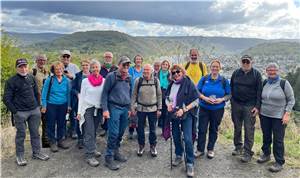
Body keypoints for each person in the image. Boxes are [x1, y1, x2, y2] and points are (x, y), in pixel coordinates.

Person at [3, 58, 49, 166]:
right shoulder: (11, 81)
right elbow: (6, 99)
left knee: (35, 133)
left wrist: (38, 106)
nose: (23, 69)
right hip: (20, 113)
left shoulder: (31, 78)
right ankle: (20, 156)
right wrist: (15, 112)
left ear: (28, 67)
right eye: (20, 67)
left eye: (25, 66)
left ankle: (37, 153)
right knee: (21, 135)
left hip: (34, 111)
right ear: (17, 68)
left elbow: (36, 93)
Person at [257, 63, 295, 172]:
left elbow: (291, 100)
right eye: (269, 70)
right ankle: (266, 154)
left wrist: (287, 113)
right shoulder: (265, 82)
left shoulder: (284, 83)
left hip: (279, 117)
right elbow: (260, 98)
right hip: (265, 115)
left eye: (274, 70)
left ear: (278, 71)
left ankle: (279, 162)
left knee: (278, 140)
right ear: (266, 71)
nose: (272, 72)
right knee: (266, 136)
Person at [165, 64, 199, 177]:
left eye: (178, 71)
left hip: (187, 115)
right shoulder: (171, 85)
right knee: (175, 136)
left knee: (188, 139)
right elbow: (167, 98)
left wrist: (184, 109)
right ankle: (179, 155)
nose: (176, 74)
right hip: (174, 114)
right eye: (173, 72)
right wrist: (168, 104)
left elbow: (196, 100)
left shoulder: (189, 83)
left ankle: (190, 163)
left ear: (182, 72)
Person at [101, 56, 132, 170]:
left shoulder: (129, 77)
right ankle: (108, 157)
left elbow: (130, 93)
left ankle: (116, 151)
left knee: (121, 132)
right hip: (114, 107)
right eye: (124, 64)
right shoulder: (111, 76)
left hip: (125, 108)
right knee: (113, 133)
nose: (126, 67)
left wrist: (129, 108)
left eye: (128, 65)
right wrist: (105, 109)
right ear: (119, 65)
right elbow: (104, 93)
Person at [195, 59, 231, 159]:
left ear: (220, 68)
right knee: (202, 129)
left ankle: (210, 149)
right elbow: (197, 91)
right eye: (213, 66)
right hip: (204, 108)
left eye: (217, 67)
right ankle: (200, 149)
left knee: (213, 129)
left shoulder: (224, 80)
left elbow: (229, 94)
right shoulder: (204, 78)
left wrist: (221, 99)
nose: (215, 68)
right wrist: (204, 98)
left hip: (218, 109)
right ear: (210, 68)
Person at [230, 55, 262, 162]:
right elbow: (231, 87)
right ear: (240, 62)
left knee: (249, 129)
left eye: (247, 62)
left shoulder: (256, 74)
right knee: (237, 127)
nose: (245, 64)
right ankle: (238, 146)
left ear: (251, 62)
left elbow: (259, 92)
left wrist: (257, 107)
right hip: (237, 104)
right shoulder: (235, 73)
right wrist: (232, 102)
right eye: (243, 61)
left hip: (250, 105)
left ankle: (247, 152)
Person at [77, 60, 105, 167]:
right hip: (88, 109)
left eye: (97, 67)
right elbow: (82, 97)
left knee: (94, 131)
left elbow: (105, 96)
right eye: (93, 67)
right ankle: (89, 155)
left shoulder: (104, 80)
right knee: (89, 131)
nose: (95, 69)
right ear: (90, 69)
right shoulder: (85, 81)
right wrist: (79, 112)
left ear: (100, 68)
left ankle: (92, 148)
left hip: (98, 109)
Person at [131, 64, 162, 157]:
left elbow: (159, 95)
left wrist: (159, 108)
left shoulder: (156, 81)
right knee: (140, 128)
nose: (145, 72)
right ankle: (141, 145)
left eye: (148, 70)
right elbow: (134, 95)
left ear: (152, 71)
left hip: (153, 108)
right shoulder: (138, 81)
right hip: (141, 108)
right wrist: (132, 107)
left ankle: (153, 146)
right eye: (144, 70)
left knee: (152, 129)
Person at [41, 61, 71, 152]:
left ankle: (60, 140)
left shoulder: (66, 80)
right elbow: (44, 93)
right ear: (53, 70)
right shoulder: (49, 80)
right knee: (51, 124)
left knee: (62, 123)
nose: (59, 71)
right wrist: (44, 105)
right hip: (51, 105)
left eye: (60, 69)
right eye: (57, 69)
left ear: (63, 70)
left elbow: (68, 94)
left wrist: (69, 105)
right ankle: (52, 142)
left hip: (63, 105)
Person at [31, 54, 50, 148]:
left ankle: (45, 142)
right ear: (36, 60)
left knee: (46, 121)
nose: (42, 61)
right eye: (40, 60)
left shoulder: (47, 71)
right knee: (35, 123)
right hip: (35, 101)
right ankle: (36, 144)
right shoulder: (32, 71)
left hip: (45, 100)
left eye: (43, 60)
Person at [71, 59, 91, 149]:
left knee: (89, 121)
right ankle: (80, 139)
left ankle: (88, 139)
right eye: (83, 65)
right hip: (79, 102)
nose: (85, 67)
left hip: (90, 102)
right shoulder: (78, 75)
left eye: (87, 65)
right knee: (79, 120)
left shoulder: (93, 75)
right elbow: (73, 88)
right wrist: (77, 94)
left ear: (89, 66)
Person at [60, 50, 80, 139]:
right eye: (64, 56)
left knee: (73, 113)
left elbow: (79, 78)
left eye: (67, 57)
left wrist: (71, 76)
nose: (65, 58)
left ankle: (73, 131)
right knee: (62, 113)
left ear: (70, 58)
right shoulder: (57, 66)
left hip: (72, 94)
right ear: (61, 57)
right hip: (62, 94)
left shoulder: (74, 67)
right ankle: (63, 132)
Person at [99, 51, 118, 137]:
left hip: (114, 93)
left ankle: (112, 129)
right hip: (103, 92)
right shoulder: (100, 68)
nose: (108, 58)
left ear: (112, 58)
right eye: (106, 57)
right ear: (104, 58)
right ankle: (104, 128)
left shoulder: (116, 68)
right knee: (104, 110)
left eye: (109, 57)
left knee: (113, 111)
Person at [128, 54, 144, 139]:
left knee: (140, 114)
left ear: (141, 61)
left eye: (139, 59)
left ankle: (139, 131)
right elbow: (129, 81)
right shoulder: (131, 70)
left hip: (142, 95)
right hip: (132, 94)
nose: (138, 60)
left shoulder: (144, 70)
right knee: (132, 112)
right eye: (137, 59)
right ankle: (131, 131)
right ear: (134, 61)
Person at [157, 59, 171, 132]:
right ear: (161, 65)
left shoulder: (170, 75)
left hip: (167, 95)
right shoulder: (157, 74)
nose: (165, 66)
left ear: (168, 66)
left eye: (166, 64)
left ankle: (164, 130)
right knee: (159, 113)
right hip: (158, 95)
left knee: (166, 113)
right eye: (164, 64)